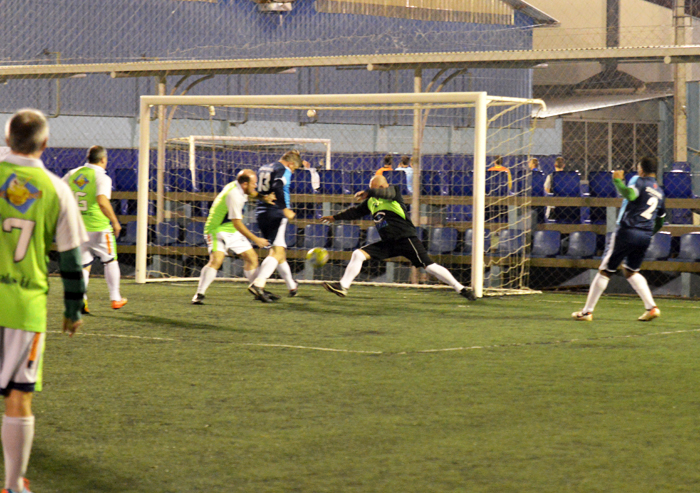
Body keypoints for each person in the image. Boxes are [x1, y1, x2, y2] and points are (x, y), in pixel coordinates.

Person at [0, 109, 87, 493]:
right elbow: (70, 259)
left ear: (7, 138)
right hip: (23, 307)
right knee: (18, 397)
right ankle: (14, 484)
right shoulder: (56, 189)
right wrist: (72, 309)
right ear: (46, 144)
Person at [320, 174, 475, 300]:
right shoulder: (372, 201)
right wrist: (335, 217)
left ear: (381, 187)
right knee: (358, 254)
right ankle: (343, 286)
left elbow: (385, 192)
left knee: (429, 266)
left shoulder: (393, 192)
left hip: (406, 239)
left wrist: (369, 192)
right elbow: (354, 212)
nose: (370, 191)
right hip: (388, 243)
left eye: (373, 188)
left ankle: (460, 289)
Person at [572, 157, 665, 322]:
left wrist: (618, 181)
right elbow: (661, 220)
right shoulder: (660, 192)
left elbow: (629, 194)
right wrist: (649, 232)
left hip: (627, 231)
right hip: (644, 236)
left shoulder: (640, 182)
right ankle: (651, 307)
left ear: (641, 169)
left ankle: (587, 312)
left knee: (605, 270)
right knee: (631, 271)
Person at [192, 169, 271, 305]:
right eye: (254, 183)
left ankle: (258, 290)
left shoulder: (239, 187)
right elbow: (238, 223)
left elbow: (252, 193)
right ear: (245, 184)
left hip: (230, 229)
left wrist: (264, 198)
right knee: (217, 260)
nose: (255, 186)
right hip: (216, 229)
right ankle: (199, 294)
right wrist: (256, 239)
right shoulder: (233, 195)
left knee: (252, 258)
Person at [63, 146, 127, 312]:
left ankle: (81, 300)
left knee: (83, 265)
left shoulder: (73, 173)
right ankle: (115, 298)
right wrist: (115, 221)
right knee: (110, 260)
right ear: (103, 160)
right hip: (98, 227)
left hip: (77, 227)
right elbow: (102, 201)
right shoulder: (102, 177)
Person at [248, 150, 303, 302]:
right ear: (290, 164)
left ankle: (292, 286)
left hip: (261, 211)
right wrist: (285, 209)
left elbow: (261, 189)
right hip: (276, 212)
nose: (293, 171)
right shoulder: (284, 169)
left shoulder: (264, 167)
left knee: (279, 251)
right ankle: (258, 283)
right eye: (294, 169)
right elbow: (278, 185)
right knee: (277, 252)